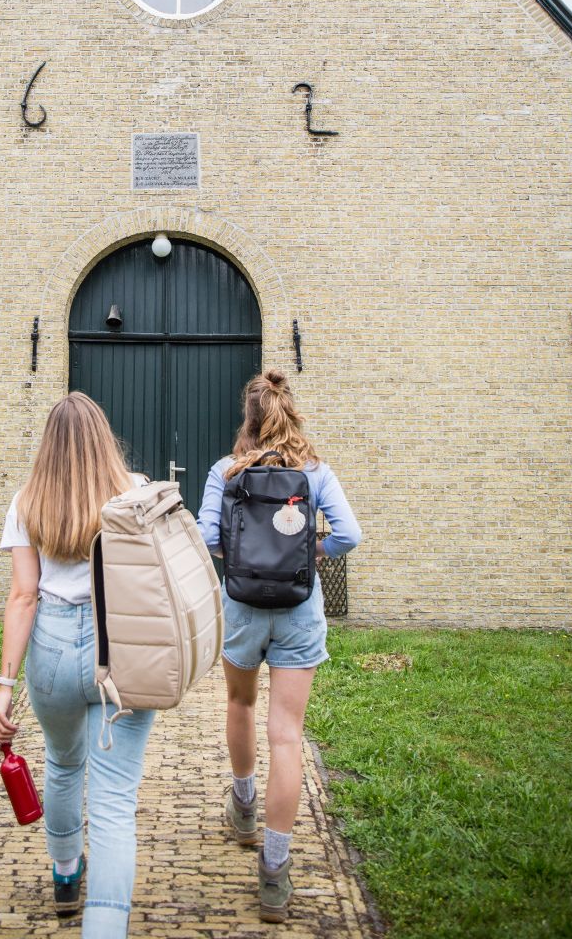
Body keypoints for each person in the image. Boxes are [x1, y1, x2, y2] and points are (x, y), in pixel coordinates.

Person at [197, 368, 362, 923]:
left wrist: (240, 559)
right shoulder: (314, 472)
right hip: (298, 609)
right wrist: (311, 552)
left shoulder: (227, 470)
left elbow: (208, 538)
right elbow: (350, 534)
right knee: (287, 735)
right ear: (290, 414)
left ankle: (243, 810)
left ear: (247, 420)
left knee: (240, 703)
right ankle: (274, 871)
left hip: (242, 607)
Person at [0, 392, 156, 937]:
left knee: (63, 765)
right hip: (122, 651)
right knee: (113, 801)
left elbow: (23, 597)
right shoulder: (136, 491)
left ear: (48, 445)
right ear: (103, 438)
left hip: (54, 650)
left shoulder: (26, 503)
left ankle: (65, 877)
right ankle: (104, 928)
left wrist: (4, 688)